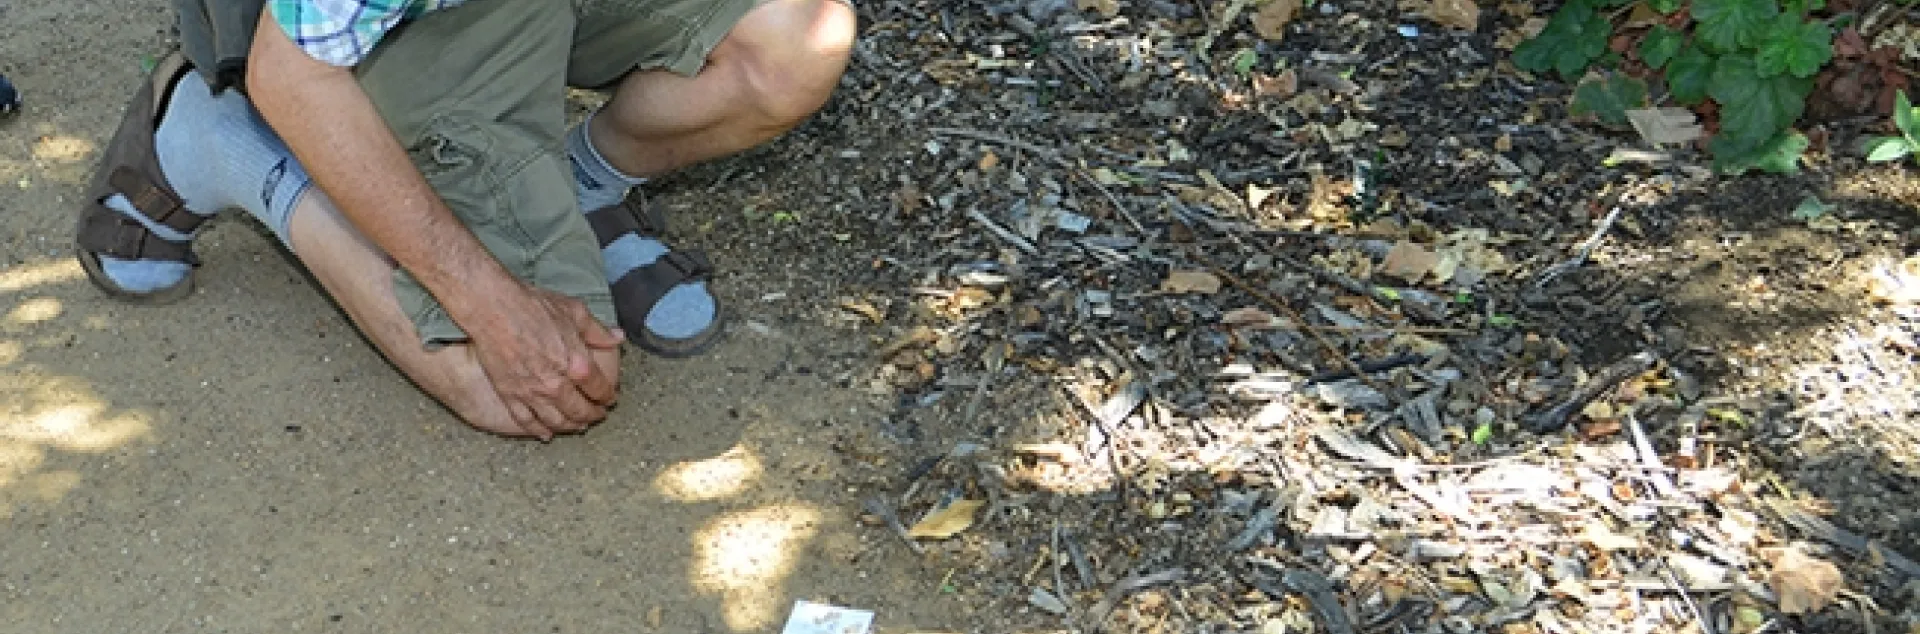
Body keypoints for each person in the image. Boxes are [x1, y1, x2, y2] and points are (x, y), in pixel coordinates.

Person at [72, 0, 857, 440]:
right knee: (532, 384)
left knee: (793, 47)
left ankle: (579, 188)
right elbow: (295, 64)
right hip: (335, 45)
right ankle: (226, 143)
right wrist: (487, 301)